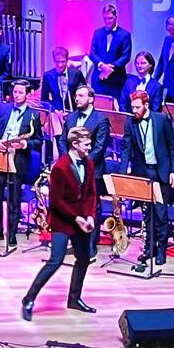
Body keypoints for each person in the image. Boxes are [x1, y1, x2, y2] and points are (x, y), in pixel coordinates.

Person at [22, 126, 97, 320]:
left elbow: (90, 193)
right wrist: (77, 218)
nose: (90, 147)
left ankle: (74, 298)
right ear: (75, 144)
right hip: (63, 220)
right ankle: (29, 299)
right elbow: (57, 201)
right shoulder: (61, 167)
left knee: (84, 258)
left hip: (81, 219)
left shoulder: (88, 164)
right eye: (86, 144)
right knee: (56, 260)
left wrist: (89, 216)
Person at [121, 89, 174, 271]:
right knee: (147, 214)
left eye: (137, 107)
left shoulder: (161, 120)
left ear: (146, 105)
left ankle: (161, 249)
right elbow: (126, 148)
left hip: (160, 171)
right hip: (143, 172)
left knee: (161, 213)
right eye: (132, 107)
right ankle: (150, 248)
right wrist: (123, 174)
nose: (134, 110)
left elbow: (172, 148)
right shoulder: (130, 122)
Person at [0, 79, 41, 247]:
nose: (17, 95)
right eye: (15, 92)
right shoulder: (3, 108)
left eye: (20, 93)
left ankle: (11, 233)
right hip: (0, 155)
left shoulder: (34, 115)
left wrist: (25, 144)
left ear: (27, 94)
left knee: (13, 198)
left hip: (17, 159)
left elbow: (38, 141)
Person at [58, 83, 111, 257]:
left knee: (91, 209)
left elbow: (99, 148)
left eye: (81, 96)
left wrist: (81, 163)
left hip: (91, 171)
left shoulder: (101, 119)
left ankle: (90, 247)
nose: (77, 98)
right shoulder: (71, 118)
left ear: (91, 98)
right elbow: (62, 141)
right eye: (76, 96)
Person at [89, 4, 132, 100]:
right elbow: (92, 53)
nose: (107, 21)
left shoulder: (125, 35)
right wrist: (102, 66)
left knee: (115, 110)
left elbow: (126, 56)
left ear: (116, 17)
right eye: (105, 19)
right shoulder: (97, 32)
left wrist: (110, 67)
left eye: (110, 18)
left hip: (116, 80)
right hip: (99, 79)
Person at [40, 47, 83, 113]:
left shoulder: (76, 74)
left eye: (63, 62)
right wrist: (54, 110)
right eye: (57, 62)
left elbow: (84, 95)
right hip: (56, 113)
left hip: (75, 112)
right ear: (54, 60)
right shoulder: (48, 76)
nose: (60, 65)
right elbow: (44, 100)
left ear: (67, 60)